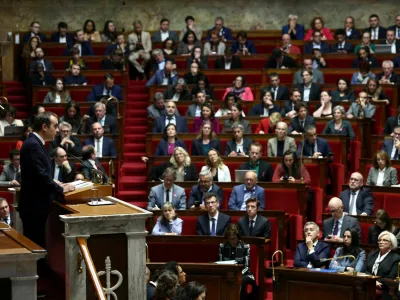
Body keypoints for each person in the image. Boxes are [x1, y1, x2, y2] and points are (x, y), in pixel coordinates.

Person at [19, 112, 75, 249]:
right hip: (34, 207)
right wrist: (61, 189)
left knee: (39, 246)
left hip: (36, 205)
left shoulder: (37, 143)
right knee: (35, 247)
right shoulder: (33, 145)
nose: (57, 130)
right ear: (44, 126)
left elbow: (40, 173)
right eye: (55, 126)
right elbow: (39, 175)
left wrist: (56, 182)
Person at [219, 224, 258, 300]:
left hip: (244, 274)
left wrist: (237, 274)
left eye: (234, 238)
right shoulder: (223, 246)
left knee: (240, 280)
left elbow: (247, 267)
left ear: (238, 237)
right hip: (227, 273)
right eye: (230, 239)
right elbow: (221, 263)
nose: (232, 241)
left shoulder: (245, 246)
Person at [365, 231, 400, 299]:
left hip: (385, 288)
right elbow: (365, 270)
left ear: (391, 244)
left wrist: (377, 282)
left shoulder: (396, 258)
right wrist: (372, 281)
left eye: (385, 240)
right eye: (380, 240)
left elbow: (391, 277)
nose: (381, 242)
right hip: (369, 284)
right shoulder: (372, 254)